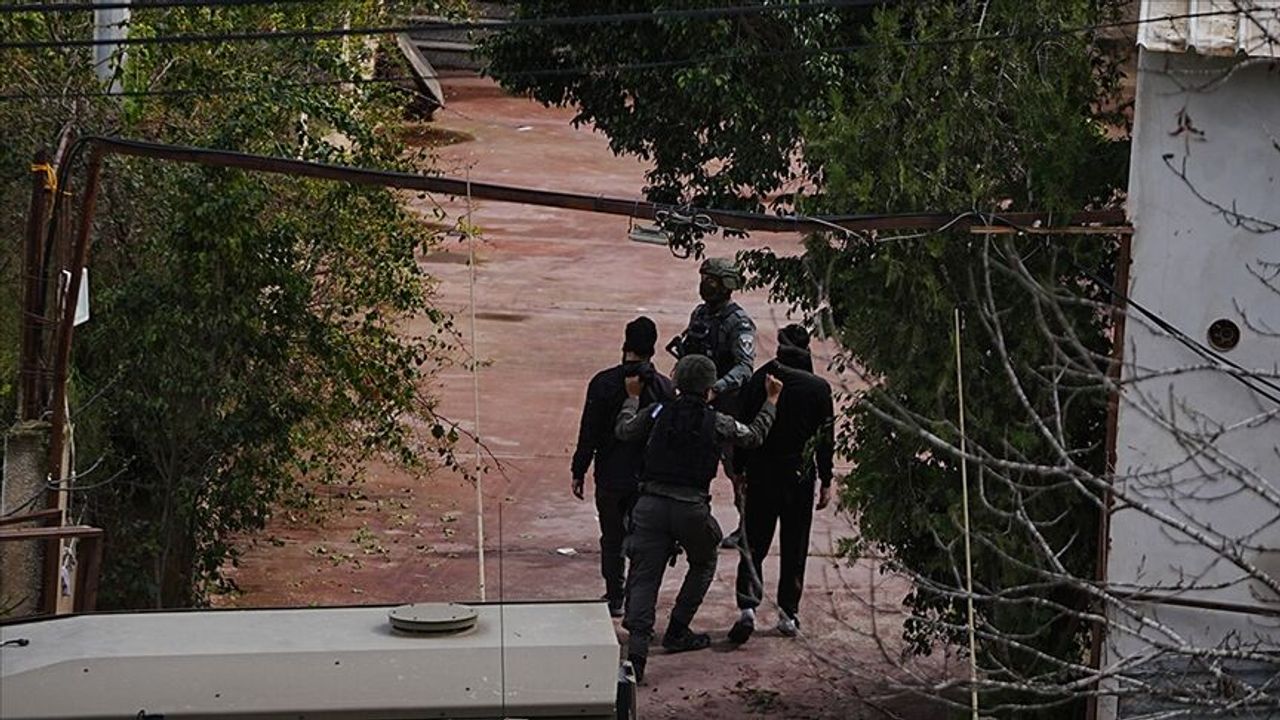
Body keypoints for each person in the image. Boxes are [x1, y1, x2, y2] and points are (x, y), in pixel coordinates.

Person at [614, 354, 781, 684]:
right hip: (691, 509)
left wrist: (632, 399)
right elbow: (753, 436)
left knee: (645, 575)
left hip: (650, 505)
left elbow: (625, 430)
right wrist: (771, 402)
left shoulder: (658, 411)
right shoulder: (717, 421)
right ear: (709, 387)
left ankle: (637, 655)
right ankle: (678, 628)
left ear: (677, 382)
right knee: (704, 561)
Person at [728, 324, 835, 643]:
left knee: (754, 542)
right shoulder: (818, 388)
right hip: (799, 476)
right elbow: (825, 438)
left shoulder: (760, 379)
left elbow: (743, 428)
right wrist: (826, 478)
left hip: (762, 472)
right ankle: (788, 613)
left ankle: (747, 608)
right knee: (795, 545)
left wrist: (738, 470)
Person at [571, 316, 674, 617]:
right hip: (647, 479)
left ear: (625, 344)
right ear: (652, 348)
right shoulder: (664, 388)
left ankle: (615, 595)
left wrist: (579, 469)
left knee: (612, 538)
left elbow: (588, 431)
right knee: (645, 542)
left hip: (611, 476)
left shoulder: (603, 383)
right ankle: (636, 600)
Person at [667, 257, 756, 549]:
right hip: (694, 405)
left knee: (736, 472)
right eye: (704, 278)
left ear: (726, 284)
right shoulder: (700, 314)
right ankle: (685, 527)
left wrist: (717, 388)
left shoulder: (738, 323)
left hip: (728, 407)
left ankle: (746, 529)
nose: (705, 285)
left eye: (712, 280)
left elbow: (745, 367)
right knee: (684, 467)